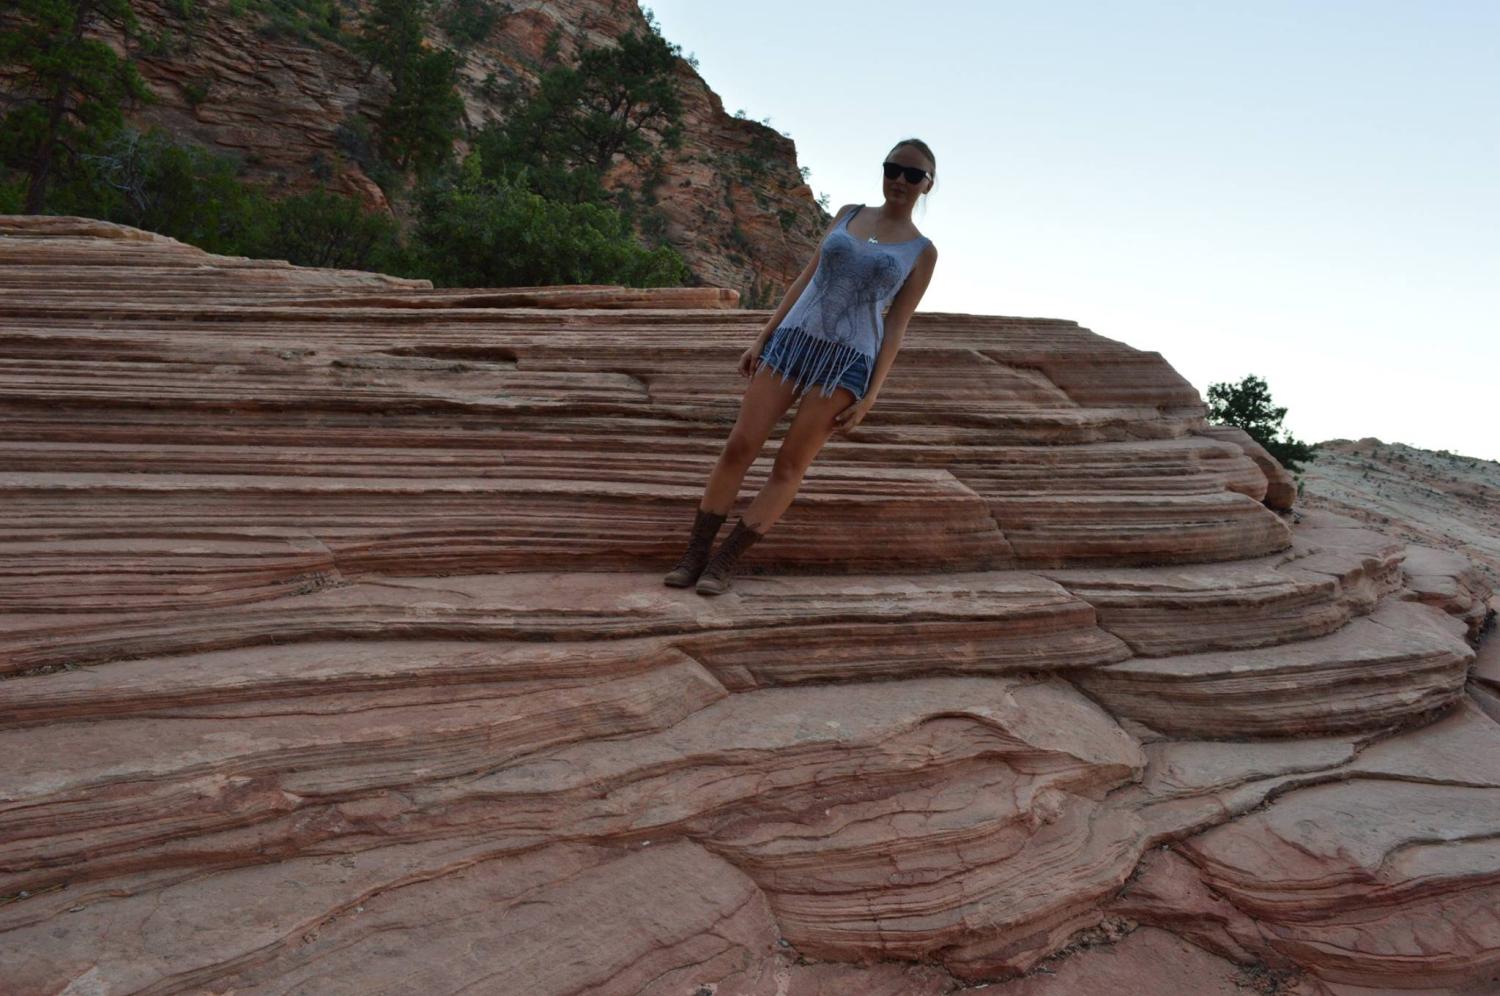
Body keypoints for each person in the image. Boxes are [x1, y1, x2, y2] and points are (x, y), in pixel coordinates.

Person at [664, 138, 940, 595]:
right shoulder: (849, 214)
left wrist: (871, 395)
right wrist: (763, 336)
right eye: (893, 168)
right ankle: (694, 554)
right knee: (739, 446)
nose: (900, 180)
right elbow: (806, 277)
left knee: (790, 465)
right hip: (792, 343)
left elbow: (896, 326)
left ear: (927, 185)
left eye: (913, 175)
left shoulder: (922, 252)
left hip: (848, 363)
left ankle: (723, 562)